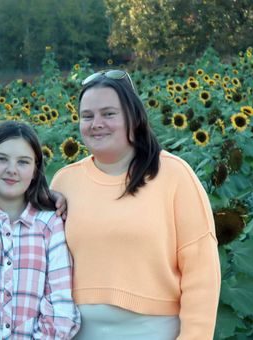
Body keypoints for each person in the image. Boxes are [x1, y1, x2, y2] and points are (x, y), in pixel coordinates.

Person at [50, 70, 221, 340]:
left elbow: (201, 271)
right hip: (78, 332)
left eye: (108, 114)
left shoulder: (174, 175)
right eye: (87, 116)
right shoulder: (64, 182)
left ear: (134, 118)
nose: (96, 123)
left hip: (155, 331)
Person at [0, 121, 81, 339]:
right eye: (1, 159)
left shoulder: (50, 224)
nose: (12, 170)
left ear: (36, 170)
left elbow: (59, 298)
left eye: (23, 162)